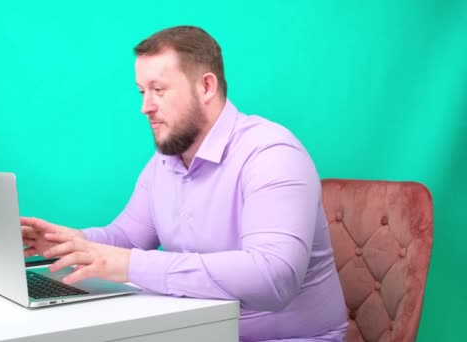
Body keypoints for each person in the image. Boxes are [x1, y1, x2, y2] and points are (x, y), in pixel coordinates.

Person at [22, 25, 348, 341]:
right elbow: (127, 238)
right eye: (142, 91)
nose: (145, 107)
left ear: (206, 87)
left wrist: (134, 266)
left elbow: (273, 278)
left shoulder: (272, 154)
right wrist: (72, 243)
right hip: (200, 332)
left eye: (158, 90)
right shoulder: (164, 164)